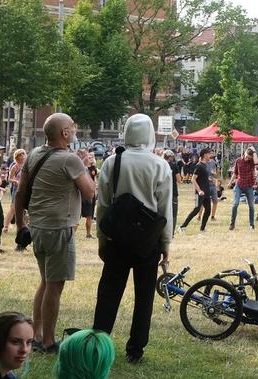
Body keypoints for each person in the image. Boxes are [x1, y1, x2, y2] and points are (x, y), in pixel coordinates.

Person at [92, 114, 172, 364]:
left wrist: (102, 239)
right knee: (144, 295)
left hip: (117, 239)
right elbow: (164, 209)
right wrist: (166, 243)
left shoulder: (112, 162)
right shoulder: (160, 165)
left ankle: (98, 343)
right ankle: (136, 349)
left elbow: (103, 205)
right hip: (147, 241)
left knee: (108, 294)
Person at [17, 112, 96, 354]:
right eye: (72, 127)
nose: (75, 130)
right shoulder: (69, 159)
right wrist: (84, 165)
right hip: (59, 229)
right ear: (64, 133)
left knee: (45, 282)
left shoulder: (34, 154)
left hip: (37, 227)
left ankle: (37, 335)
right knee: (54, 286)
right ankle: (48, 341)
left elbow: (20, 193)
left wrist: (21, 225)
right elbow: (90, 192)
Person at [178, 148, 214, 232]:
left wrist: (209, 178)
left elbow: (202, 177)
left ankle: (202, 228)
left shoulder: (205, 165)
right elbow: (193, 179)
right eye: (209, 154)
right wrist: (199, 190)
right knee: (196, 209)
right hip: (200, 193)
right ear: (205, 155)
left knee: (208, 210)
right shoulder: (199, 165)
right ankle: (182, 227)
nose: (210, 156)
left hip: (206, 192)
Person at [228, 147, 257, 231]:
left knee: (251, 205)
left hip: (249, 186)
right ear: (244, 153)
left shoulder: (252, 162)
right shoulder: (238, 161)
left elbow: (256, 162)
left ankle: (251, 224)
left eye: (249, 157)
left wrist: (254, 151)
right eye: (247, 156)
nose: (247, 158)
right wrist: (230, 182)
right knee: (235, 204)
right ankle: (232, 224)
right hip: (239, 185)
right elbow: (235, 173)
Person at [79, 150, 98, 239]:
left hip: (91, 194)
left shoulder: (93, 169)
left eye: (91, 157)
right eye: (89, 157)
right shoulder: (81, 168)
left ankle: (88, 233)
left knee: (90, 214)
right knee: (78, 214)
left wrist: (95, 190)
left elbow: (94, 180)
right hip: (82, 193)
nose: (90, 159)